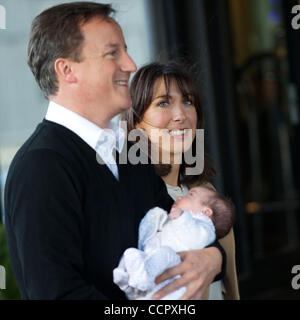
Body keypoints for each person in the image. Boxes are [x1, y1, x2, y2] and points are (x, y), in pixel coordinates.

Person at [4, 2, 225, 299]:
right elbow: (57, 294)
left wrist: (213, 259)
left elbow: (182, 224)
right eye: (113, 53)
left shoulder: (128, 154)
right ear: (67, 69)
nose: (131, 64)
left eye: (126, 50)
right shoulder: (41, 167)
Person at [123, 61, 240, 299]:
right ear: (137, 123)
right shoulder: (131, 196)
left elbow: (229, 287)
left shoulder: (203, 191)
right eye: (163, 103)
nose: (180, 115)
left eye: (188, 101)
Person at [113, 186, 234, 300]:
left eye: (190, 195)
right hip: (154, 265)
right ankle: (130, 282)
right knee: (131, 254)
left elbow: (196, 236)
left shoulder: (204, 227)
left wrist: (182, 217)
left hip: (171, 272)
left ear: (206, 212)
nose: (179, 197)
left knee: (165, 254)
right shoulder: (177, 217)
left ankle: (142, 281)